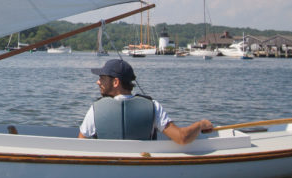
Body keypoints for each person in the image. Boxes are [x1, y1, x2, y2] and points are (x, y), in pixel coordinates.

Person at [78, 59, 213, 144]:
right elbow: (182, 138)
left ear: (115, 82)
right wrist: (201, 124)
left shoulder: (95, 109)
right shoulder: (152, 106)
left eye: (102, 78)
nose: (98, 82)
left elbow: (80, 145)